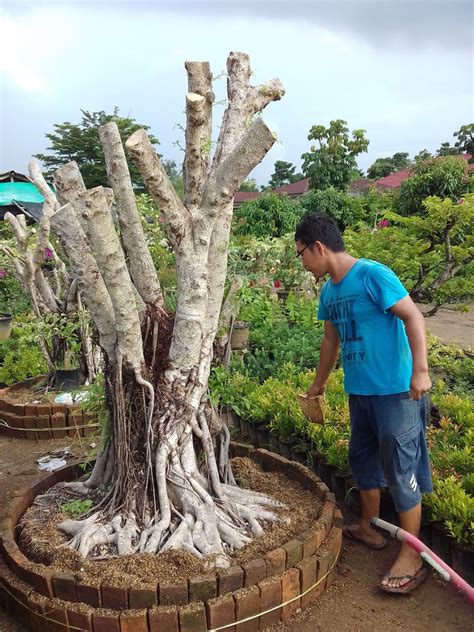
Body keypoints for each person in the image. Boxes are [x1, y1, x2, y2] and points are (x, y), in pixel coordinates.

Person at [295, 212, 433, 595]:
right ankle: (370, 526)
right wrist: (317, 386)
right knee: (362, 459)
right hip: (361, 394)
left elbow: (413, 318)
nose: (302, 263)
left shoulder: (374, 275)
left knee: (401, 468)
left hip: (396, 393)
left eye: (301, 254)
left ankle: (411, 552)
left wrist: (420, 371)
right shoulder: (329, 292)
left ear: (318, 247)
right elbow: (330, 342)